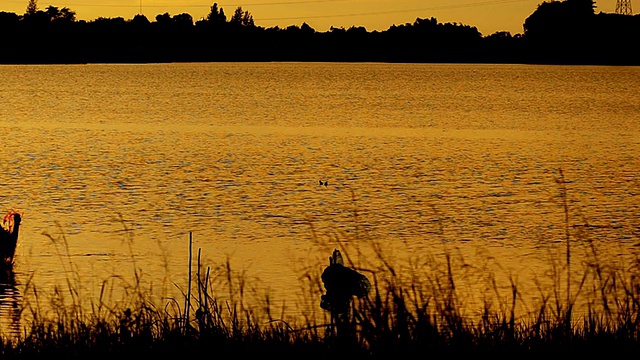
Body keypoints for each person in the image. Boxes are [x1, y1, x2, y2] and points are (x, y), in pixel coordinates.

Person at [320, 248, 371, 338]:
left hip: (343, 301)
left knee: (344, 324)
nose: (325, 287)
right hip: (343, 302)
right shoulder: (341, 276)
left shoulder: (345, 279)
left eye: (326, 284)